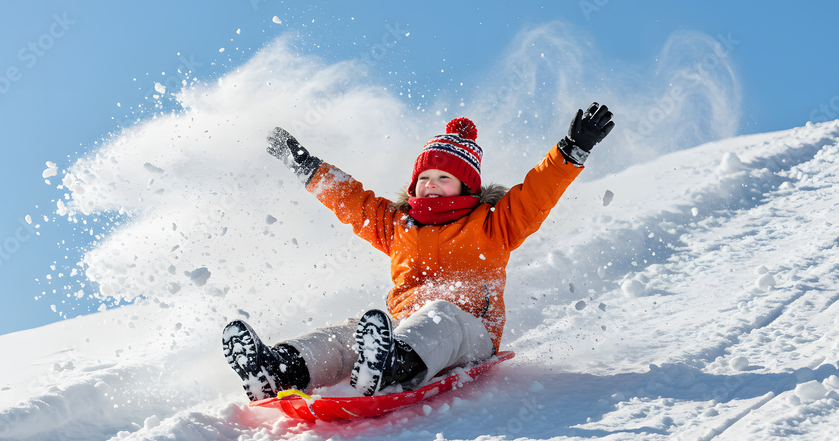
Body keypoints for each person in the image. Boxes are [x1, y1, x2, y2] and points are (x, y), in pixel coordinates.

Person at [223, 103, 615, 401]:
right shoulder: (399, 225)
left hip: (470, 335)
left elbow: (536, 193)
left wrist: (571, 150)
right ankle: (279, 369)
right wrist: (307, 166)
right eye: (424, 177)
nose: (431, 185)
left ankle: (390, 365)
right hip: (400, 325)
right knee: (351, 332)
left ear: (467, 188)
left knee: (443, 316)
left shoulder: (494, 224)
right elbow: (352, 201)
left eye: (444, 178)